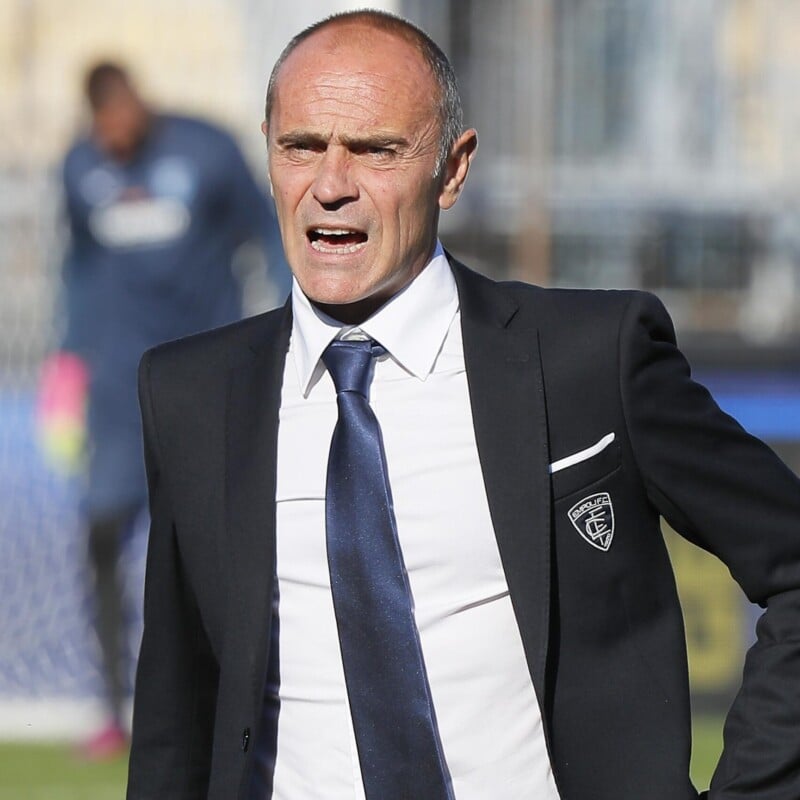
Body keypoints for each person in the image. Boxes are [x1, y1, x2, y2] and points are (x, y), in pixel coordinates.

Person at [126, 10, 800, 800]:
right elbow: (177, 708)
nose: (331, 185)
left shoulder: (590, 357)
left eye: (376, 150)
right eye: (301, 146)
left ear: (452, 168)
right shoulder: (191, 393)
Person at [47, 61, 290, 759]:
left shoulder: (207, 149)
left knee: (212, 544)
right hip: (117, 395)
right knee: (100, 535)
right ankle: (108, 710)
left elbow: (265, 233)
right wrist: (68, 359)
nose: (115, 135)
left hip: (203, 383)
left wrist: (284, 315)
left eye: (123, 120)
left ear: (136, 103)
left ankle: (237, 697)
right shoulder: (78, 167)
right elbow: (78, 263)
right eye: (103, 129)